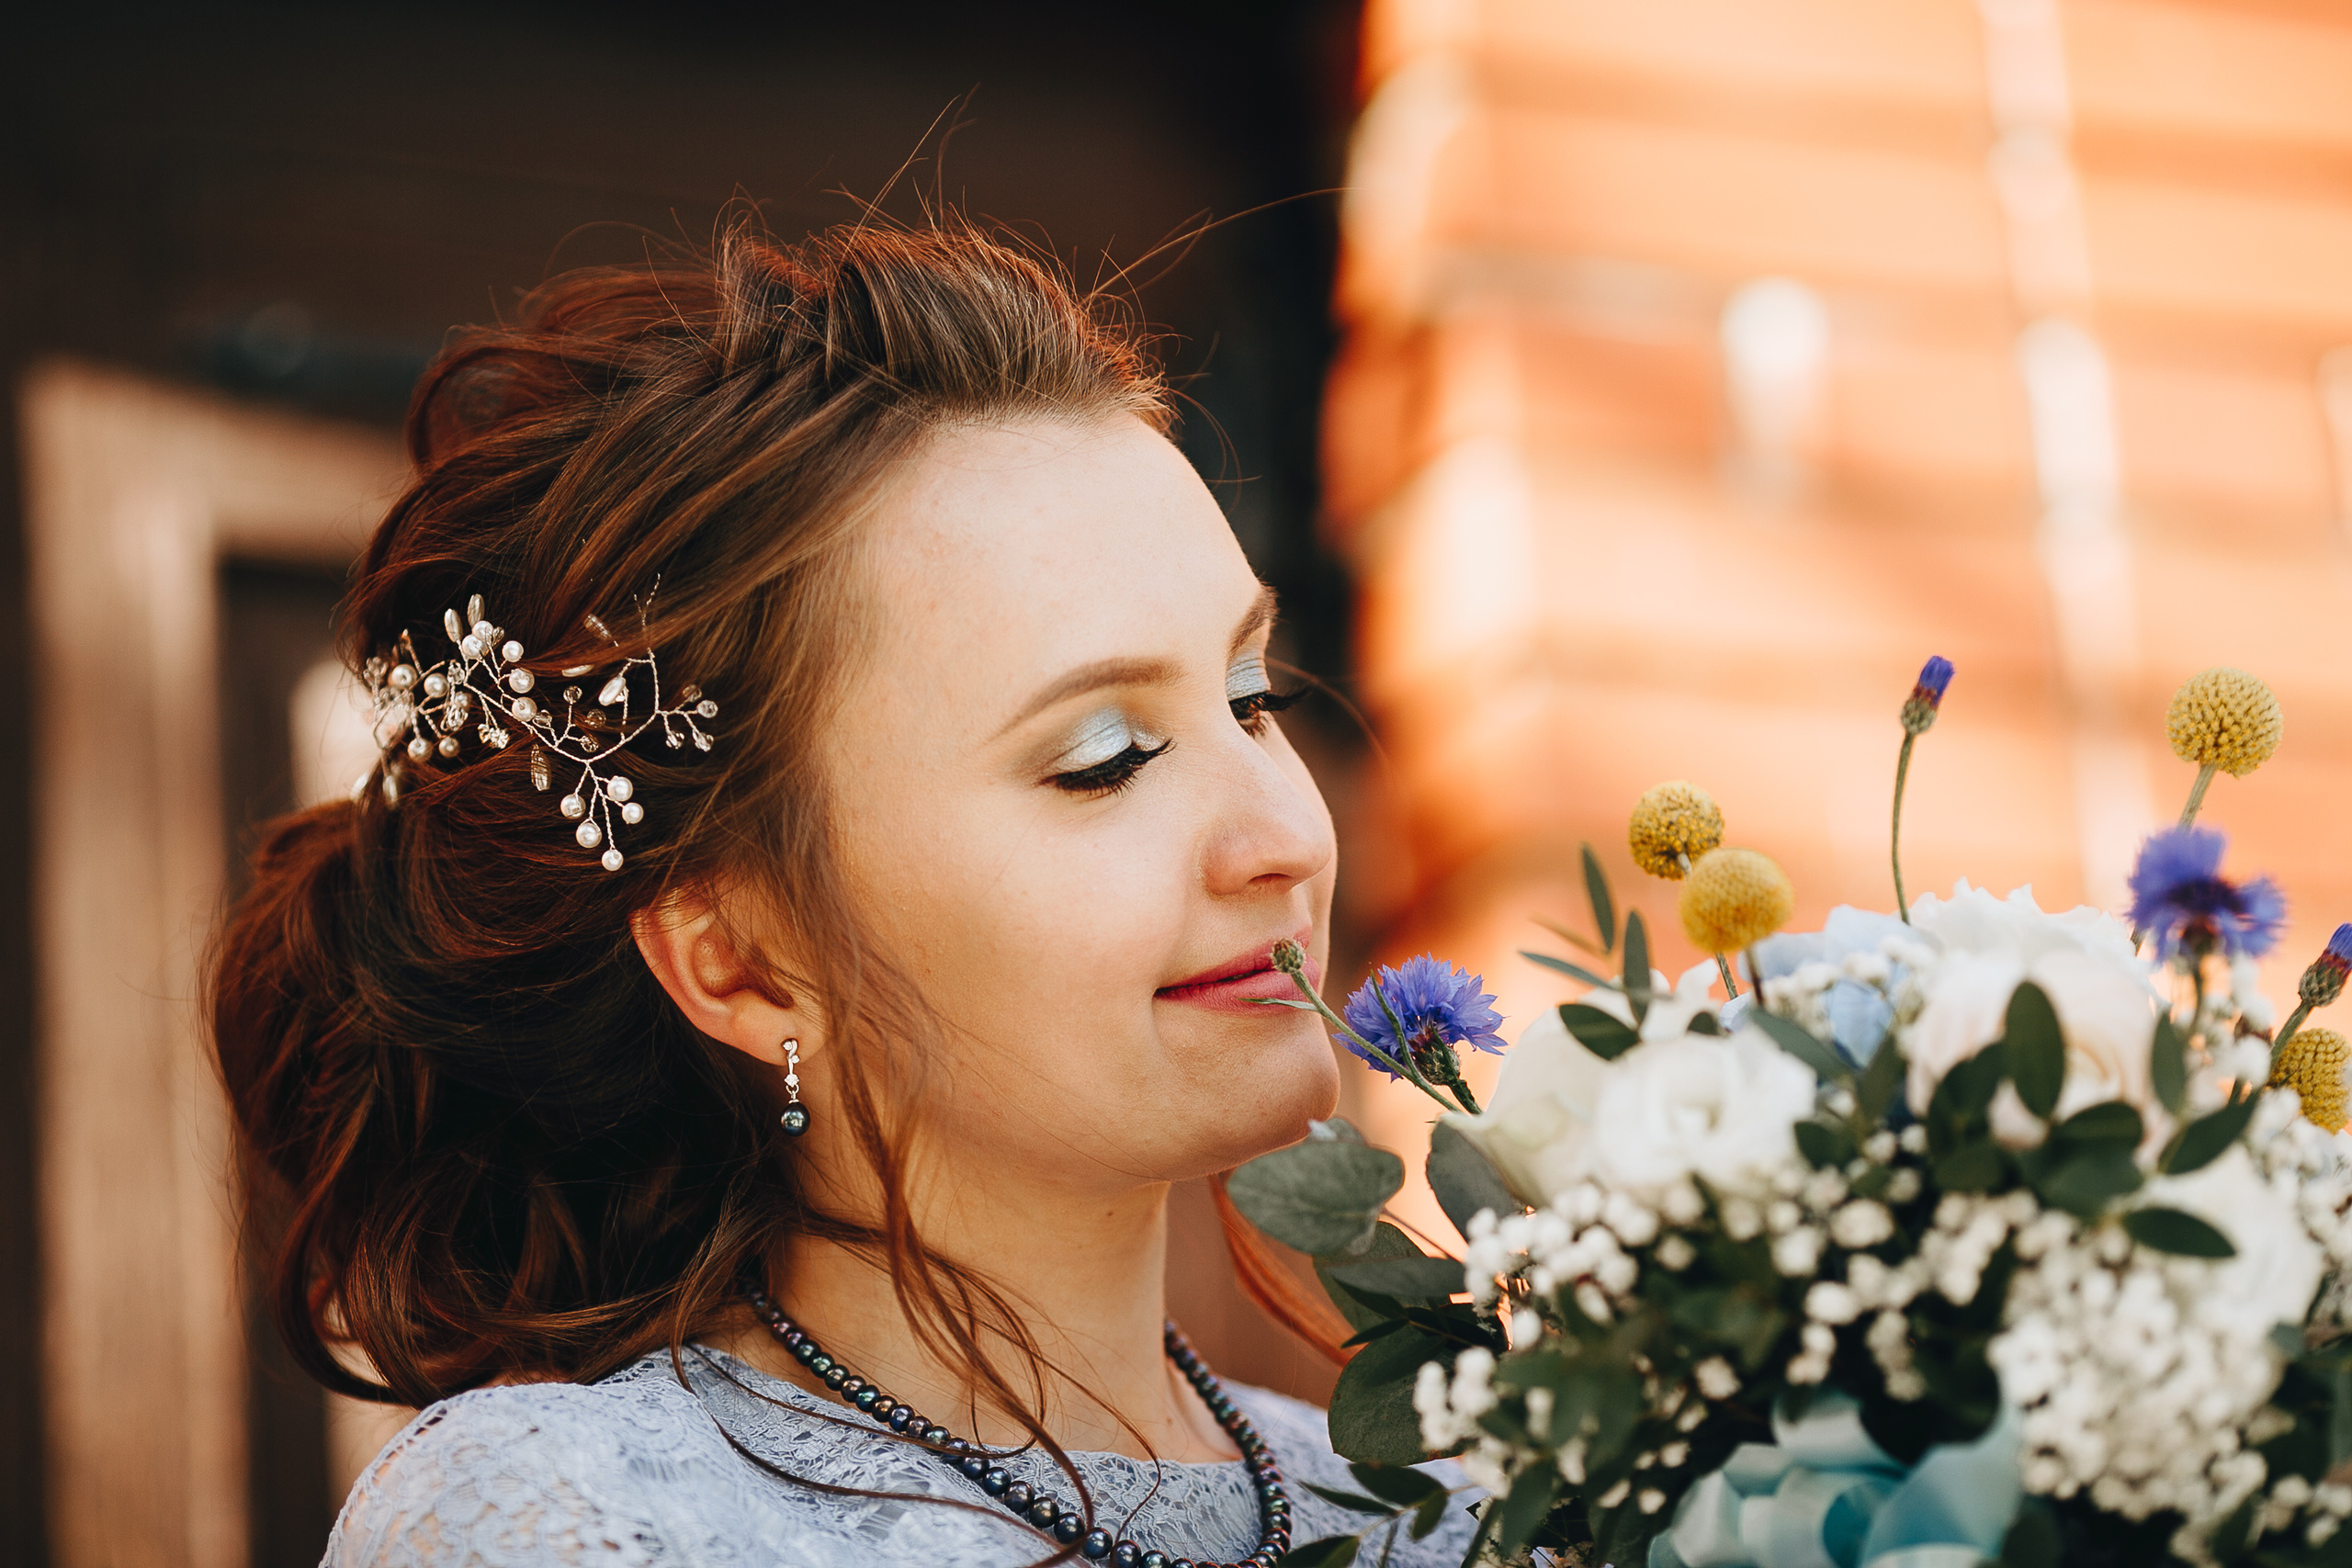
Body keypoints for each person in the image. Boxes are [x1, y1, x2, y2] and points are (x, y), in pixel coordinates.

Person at [211, 218, 1478, 1567]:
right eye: (1102, 762)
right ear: (743, 960)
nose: (1282, 834)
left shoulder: (1467, 1516)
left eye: (1252, 695)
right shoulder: (576, 1524)